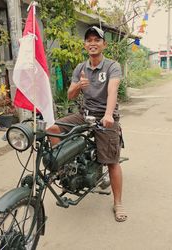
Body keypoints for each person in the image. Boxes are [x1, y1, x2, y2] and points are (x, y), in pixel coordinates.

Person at [47, 26, 127, 222]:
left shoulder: (112, 66)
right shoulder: (80, 68)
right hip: (85, 114)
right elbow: (70, 95)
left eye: (96, 40)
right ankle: (63, 168)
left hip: (105, 117)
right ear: (85, 45)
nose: (93, 43)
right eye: (89, 40)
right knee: (51, 128)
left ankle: (118, 203)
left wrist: (108, 115)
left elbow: (112, 91)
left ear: (103, 44)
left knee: (112, 161)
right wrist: (77, 86)